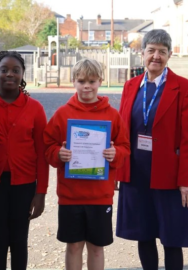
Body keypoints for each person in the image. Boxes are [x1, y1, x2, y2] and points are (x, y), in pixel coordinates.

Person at [115, 29, 188, 270]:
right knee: (144, 233)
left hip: (168, 176)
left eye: (162, 52)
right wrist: (118, 172)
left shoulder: (184, 88)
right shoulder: (131, 86)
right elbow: (121, 132)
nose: (156, 56)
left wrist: (185, 181)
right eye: (151, 50)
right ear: (142, 54)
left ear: (170, 55)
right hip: (136, 173)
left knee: (172, 238)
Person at [43, 58, 130, 270]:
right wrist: (58, 153)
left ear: (100, 81)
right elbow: (47, 146)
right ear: (73, 81)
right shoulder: (63, 114)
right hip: (70, 195)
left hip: (100, 195)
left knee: (97, 247)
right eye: (81, 81)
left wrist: (114, 153)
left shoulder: (112, 115)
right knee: (73, 246)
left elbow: (125, 147)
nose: (87, 86)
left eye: (92, 80)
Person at [0, 51, 49, 270]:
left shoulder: (35, 109)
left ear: (23, 74)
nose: (10, 74)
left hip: (24, 186)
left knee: (18, 242)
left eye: (16, 70)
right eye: (4, 69)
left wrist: (40, 193)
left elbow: (42, 153)